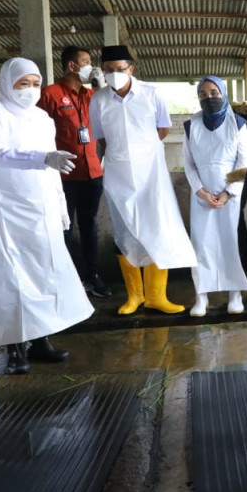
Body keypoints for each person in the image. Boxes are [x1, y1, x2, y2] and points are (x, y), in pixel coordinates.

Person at [0, 57, 94, 375]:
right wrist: (41, 158)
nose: (30, 90)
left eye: (35, 84)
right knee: (11, 275)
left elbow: (52, 169)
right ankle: (15, 346)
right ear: (7, 83)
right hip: (6, 205)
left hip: (39, 203)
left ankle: (41, 339)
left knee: (43, 272)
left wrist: (60, 208)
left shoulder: (42, 118)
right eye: (22, 84)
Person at [89, 45, 196, 315]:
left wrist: (141, 152)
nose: (114, 74)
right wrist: (125, 156)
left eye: (120, 70)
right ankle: (134, 297)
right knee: (125, 233)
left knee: (157, 228)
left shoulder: (151, 93)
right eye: (109, 70)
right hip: (118, 174)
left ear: (131, 69)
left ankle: (157, 297)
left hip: (151, 175)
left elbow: (163, 128)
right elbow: (101, 138)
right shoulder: (98, 100)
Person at [37, 46, 111, 298]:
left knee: (90, 227)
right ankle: (66, 281)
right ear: (72, 66)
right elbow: (36, 131)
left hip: (91, 173)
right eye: (87, 62)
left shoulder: (91, 96)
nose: (92, 67)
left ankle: (93, 276)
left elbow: (109, 115)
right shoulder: (50, 95)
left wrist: (101, 87)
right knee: (63, 230)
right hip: (63, 177)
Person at [182, 77, 247, 317]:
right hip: (202, 196)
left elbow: (245, 162)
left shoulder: (239, 124)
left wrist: (227, 193)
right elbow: (189, 165)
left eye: (214, 92)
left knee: (231, 242)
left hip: (231, 195)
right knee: (201, 245)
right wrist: (201, 192)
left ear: (223, 93)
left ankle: (235, 295)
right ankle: (201, 297)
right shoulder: (191, 126)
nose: (208, 97)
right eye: (203, 94)